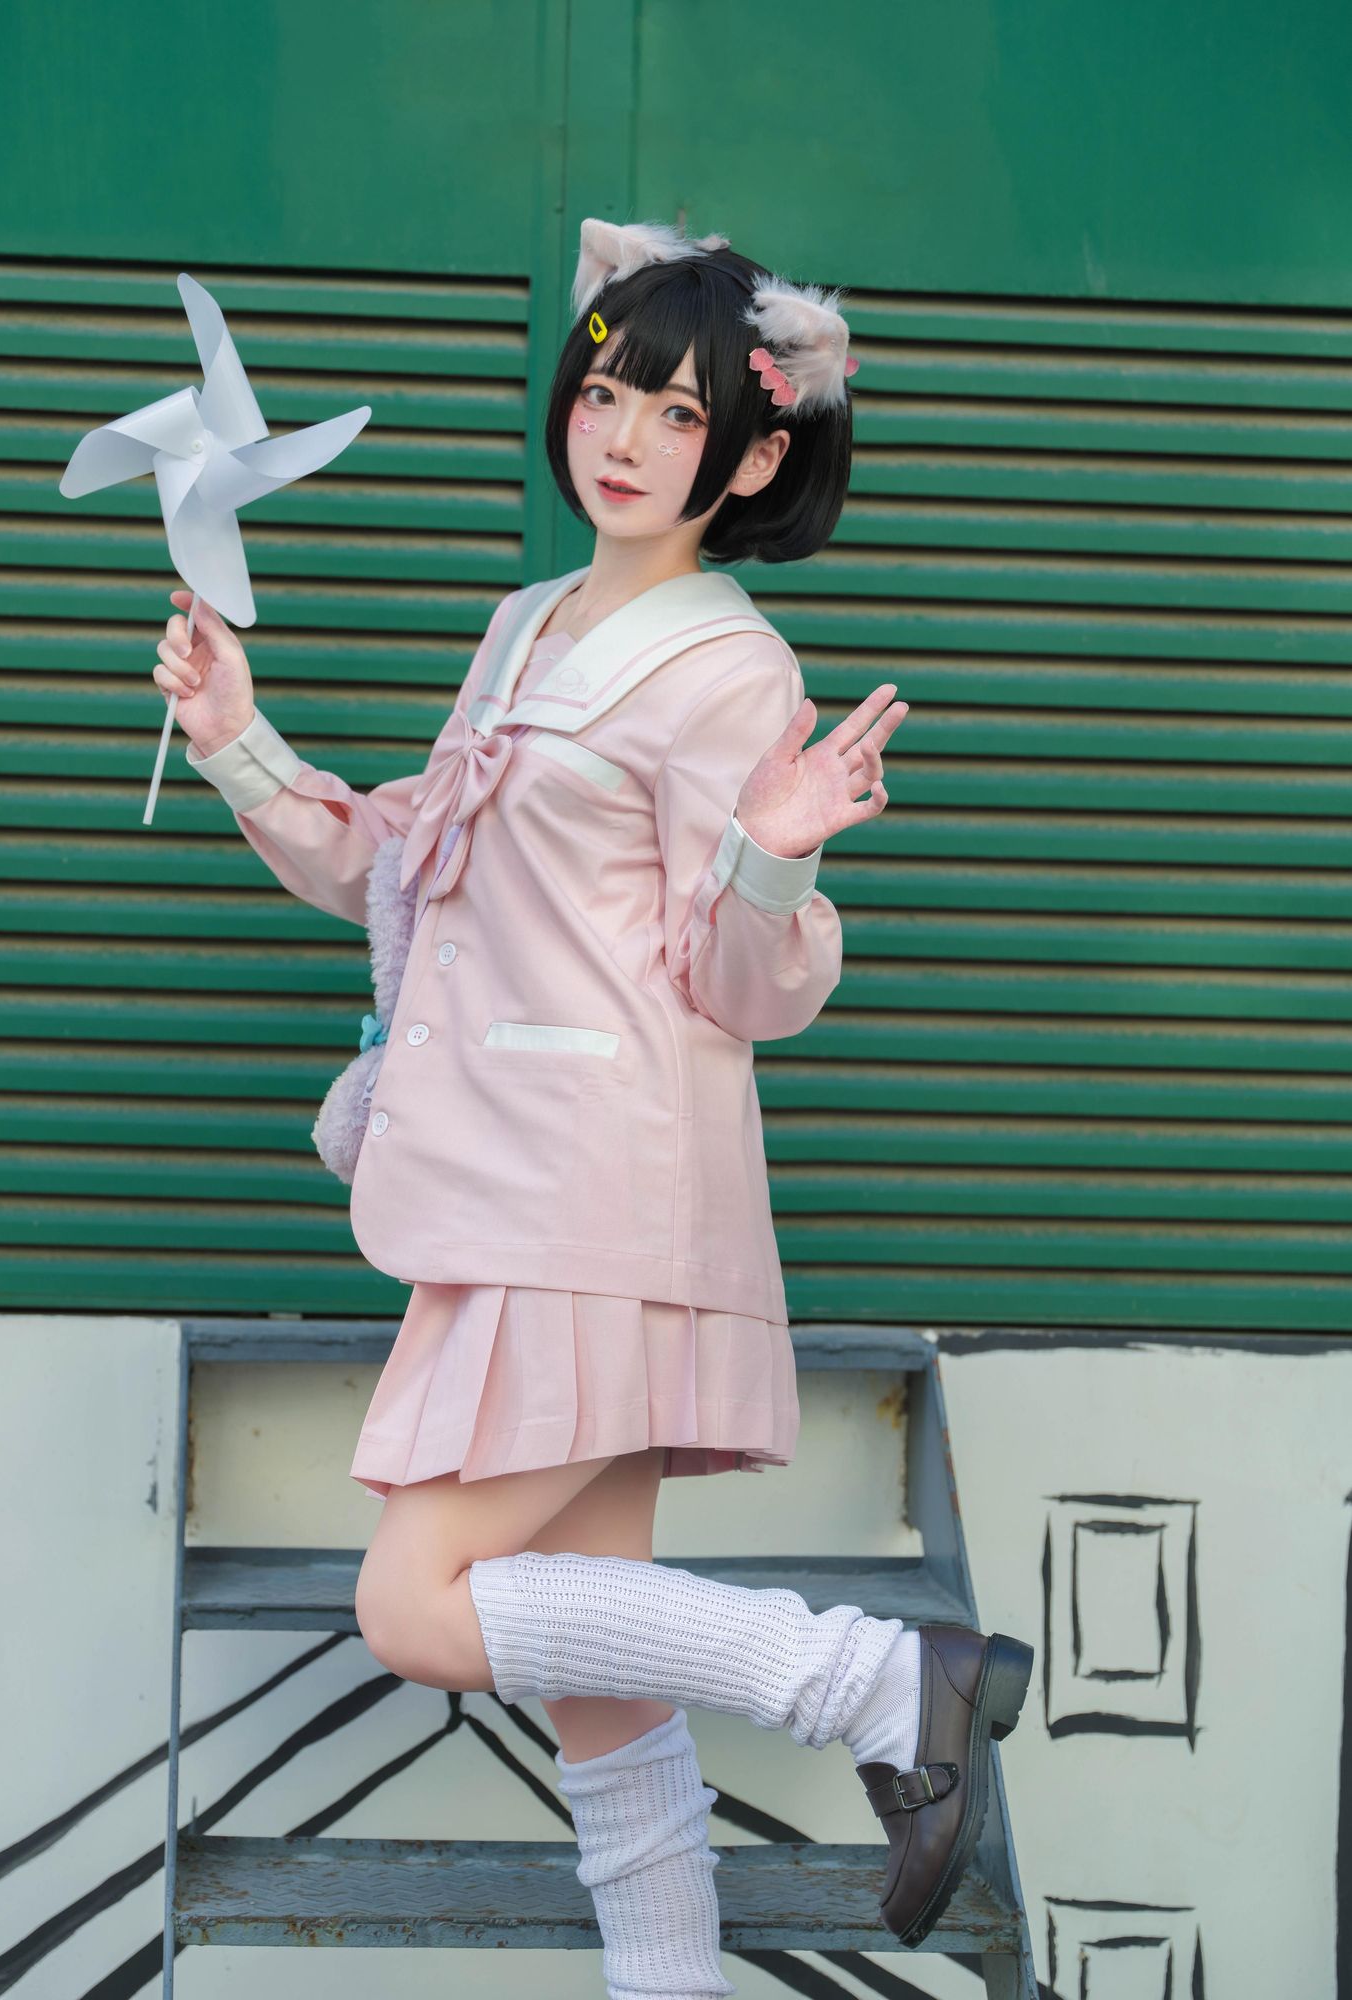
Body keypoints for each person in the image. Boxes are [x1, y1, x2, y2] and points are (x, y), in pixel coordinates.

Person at [155, 216, 1033, 1991]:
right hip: (510, 1187)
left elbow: (744, 985)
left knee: (413, 1607)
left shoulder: (732, 669)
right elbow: (406, 867)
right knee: (604, 1696)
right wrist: (240, 735)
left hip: (598, 1200)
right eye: (608, 392)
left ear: (754, 459)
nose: (623, 438)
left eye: (680, 414)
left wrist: (775, 858)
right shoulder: (523, 623)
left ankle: (881, 1682)